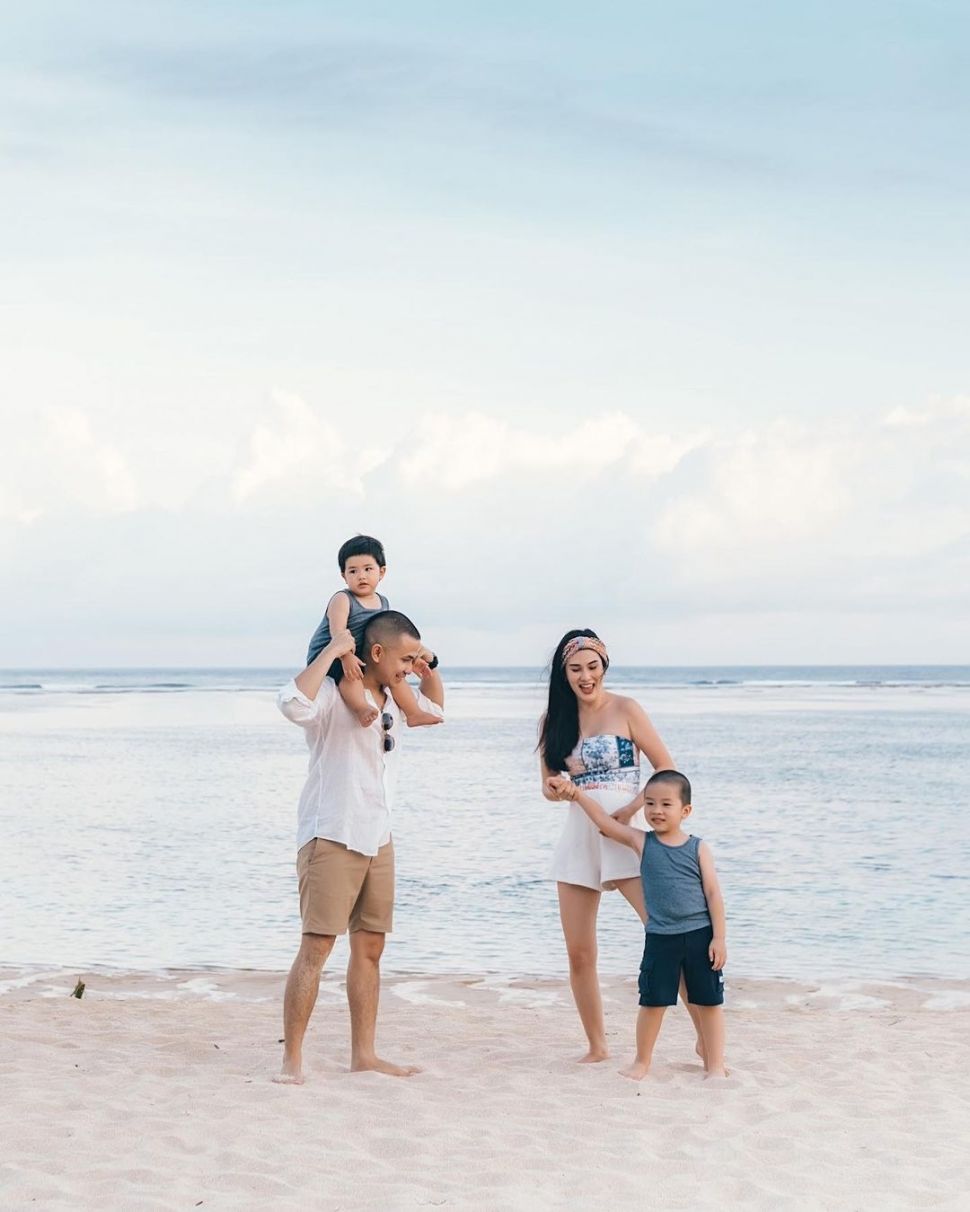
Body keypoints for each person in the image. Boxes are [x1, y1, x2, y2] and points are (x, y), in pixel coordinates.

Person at [275, 609, 444, 1084]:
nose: (411, 666)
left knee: (370, 949)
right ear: (375, 653)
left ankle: (364, 1055)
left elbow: (436, 711)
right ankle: (292, 1061)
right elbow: (290, 703)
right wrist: (332, 649)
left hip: (377, 836)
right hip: (332, 832)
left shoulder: (393, 701)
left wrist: (429, 667)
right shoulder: (333, 694)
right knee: (317, 947)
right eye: (405, 658)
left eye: (415, 659)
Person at [538, 628, 704, 1063]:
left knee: (669, 936)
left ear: (604, 666)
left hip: (627, 840)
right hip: (580, 837)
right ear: (564, 672)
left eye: (592, 667)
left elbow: (666, 768)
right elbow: (546, 787)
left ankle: (705, 1035)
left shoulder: (627, 709)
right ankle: (597, 1046)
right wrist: (558, 788)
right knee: (579, 953)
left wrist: (633, 809)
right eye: (576, 669)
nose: (585, 676)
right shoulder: (553, 720)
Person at [552, 768, 727, 1080]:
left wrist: (719, 939)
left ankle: (715, 1065)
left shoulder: (699, 848)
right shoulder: (641, 842)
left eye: (666, 804)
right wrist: (578, 795)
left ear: (685, 811)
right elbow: (605, 824)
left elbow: (713, 894)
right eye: (649, 804)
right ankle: (642, 1061)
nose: (656, 811)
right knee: (652, 1002)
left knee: (709, 1002)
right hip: (661, 937)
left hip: (700, 935)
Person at [305, 534, 442, 729]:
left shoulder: (383, 602)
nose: (361, 575)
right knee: (351, 676)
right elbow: (338, 634)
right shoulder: (342, 599)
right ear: (343, 575)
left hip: (359, 653)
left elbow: (388, 636)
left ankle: (414, 713)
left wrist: (409, 656)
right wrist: (346, 658)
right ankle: (361, 708)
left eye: (368, 569)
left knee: (394, 676)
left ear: (382, 572)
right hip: (332, 656)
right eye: (353, 571)